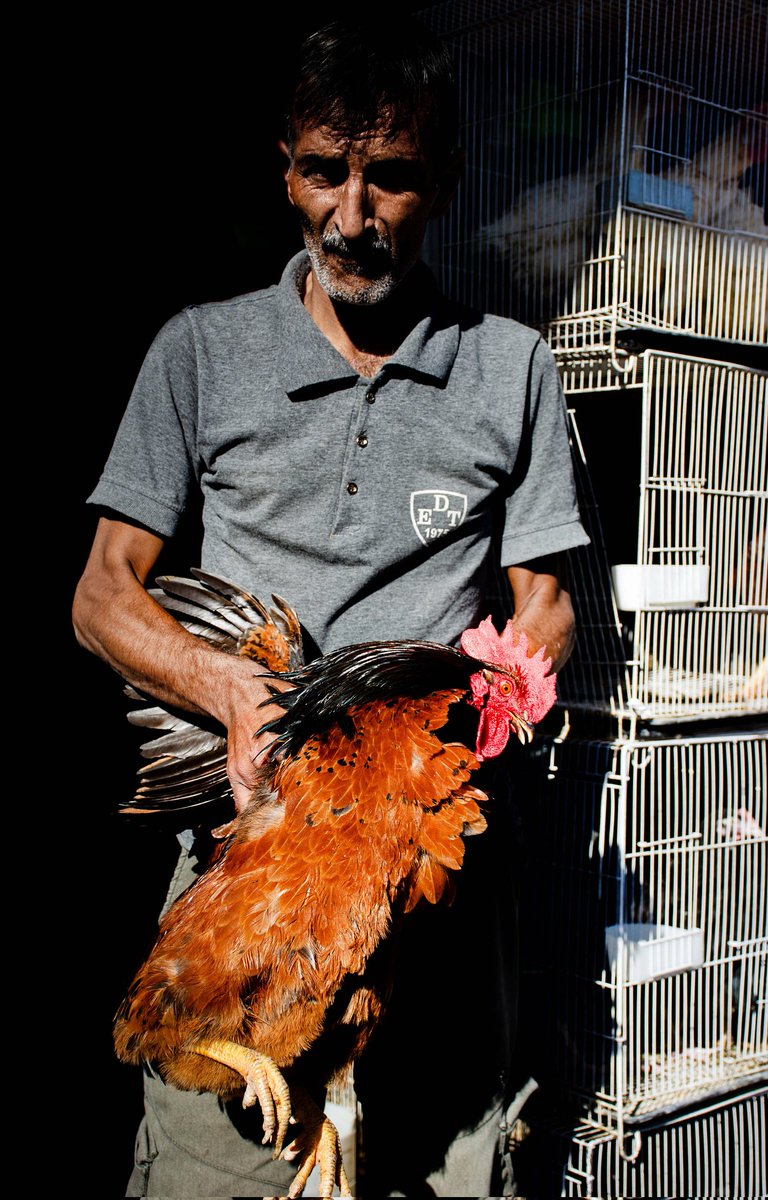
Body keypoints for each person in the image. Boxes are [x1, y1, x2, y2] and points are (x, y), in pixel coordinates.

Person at [73, 16, 589, 1197]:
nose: (354, 215)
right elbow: (103, 592)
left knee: (442, 1172)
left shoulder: (508, 366)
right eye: (325, 171)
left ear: (443, 182)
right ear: (286, 167)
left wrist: (513, 673)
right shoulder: (200, 353)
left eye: (392, 177)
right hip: (259, 867)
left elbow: (547, 602)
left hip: (434, 879)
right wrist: (233, 695)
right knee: (218, 1170)